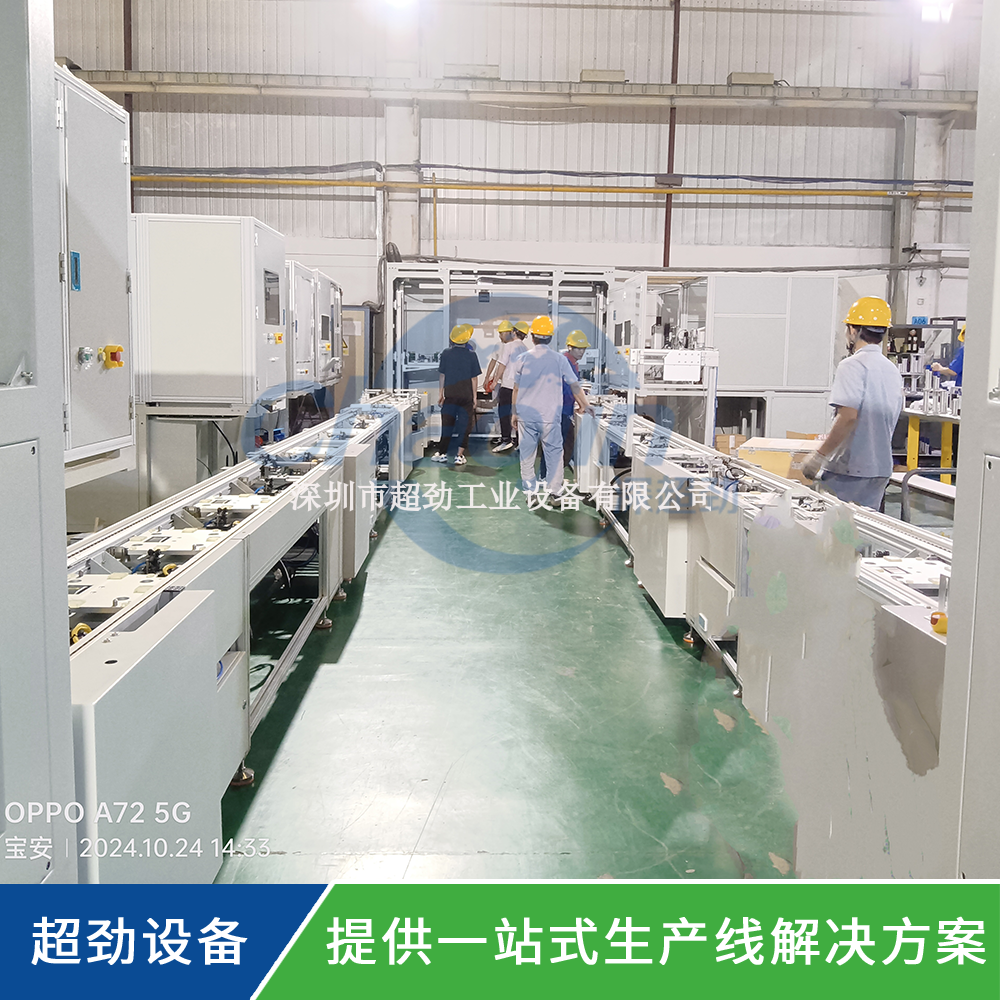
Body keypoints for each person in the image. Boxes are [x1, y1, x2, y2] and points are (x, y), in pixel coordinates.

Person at [802, 296, 903, 510]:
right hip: (880, 469)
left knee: (837, 528)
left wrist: (819, 456)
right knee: (864, 527)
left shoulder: (852, 365)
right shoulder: (892, 370)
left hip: (850, 469)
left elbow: (848, 417)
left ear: (853, 330)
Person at [512, 315, 593, 499]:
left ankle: (530, 492)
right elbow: (574, 385)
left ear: (532, 337)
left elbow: (516, 389)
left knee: (527, 455)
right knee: (554, 454)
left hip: (526, 415)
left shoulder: (522, 359)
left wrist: (514, 413)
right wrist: (586, 405)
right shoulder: (559, 359)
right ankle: (555, 492)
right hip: (550, 415)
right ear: (550, 337)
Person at [540, 329, 589, 481]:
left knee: (558, 444)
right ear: (570, 347)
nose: (581, 352)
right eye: (578, 348)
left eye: (583, 349)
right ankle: (548, 476)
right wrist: (583, 404)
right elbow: (570, 388)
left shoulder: (570, 362)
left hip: (560, 409)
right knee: (558, 444)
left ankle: (549, 475)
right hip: (560, 410)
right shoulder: (566, 362)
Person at [432, 324, 481, 467]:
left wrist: (441, 394)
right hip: (466, 397)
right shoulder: (471, 355)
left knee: (447, 425)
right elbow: (474, 378)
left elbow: (442, 375)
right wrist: (474, 397)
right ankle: (459, 456)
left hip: (450, 395)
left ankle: (442, 453)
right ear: (466, 340)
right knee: (464, 426)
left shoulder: (446, 354)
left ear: (452, 339)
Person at [484, 320, 528, 453]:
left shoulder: (509, 346)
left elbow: (502, 364)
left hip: (508, 385)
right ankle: (520, 442)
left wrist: (494, 381)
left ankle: (506, 440)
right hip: (521, 386)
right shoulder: (525, 348)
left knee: (504, 412)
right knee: (519, 414)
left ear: (514, 332)